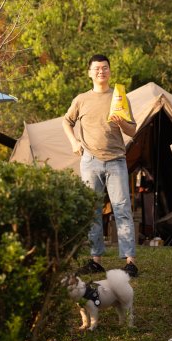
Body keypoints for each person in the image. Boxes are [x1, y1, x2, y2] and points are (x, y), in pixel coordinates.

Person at [62, 54, 139, 277]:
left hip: (116, 160)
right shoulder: (81, 99)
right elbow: (66, 121)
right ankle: (95, 260)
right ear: (89, 73)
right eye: (96, 69)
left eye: (104, 68)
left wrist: (121, 122)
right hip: (90, 161)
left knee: (122, 209)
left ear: (109, 71)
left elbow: (132, 130)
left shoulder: (119, 97)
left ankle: (130, 262)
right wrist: (74, 141)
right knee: (92, 211)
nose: (101, 72)